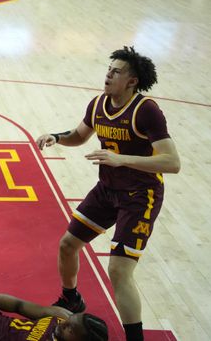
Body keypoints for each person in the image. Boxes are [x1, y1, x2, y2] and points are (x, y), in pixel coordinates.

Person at [35, 47, 180, 341]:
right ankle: (71, 298)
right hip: (108, 190)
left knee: (118, 270)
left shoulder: (146, 111)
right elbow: (80, 135)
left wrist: (121, 159)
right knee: (67, 244)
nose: (108, 74)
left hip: (141, 196)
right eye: (108, 69)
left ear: (132, 81)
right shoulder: (99, 103)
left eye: (116, 71)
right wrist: (57, 137)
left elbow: (172, 162)